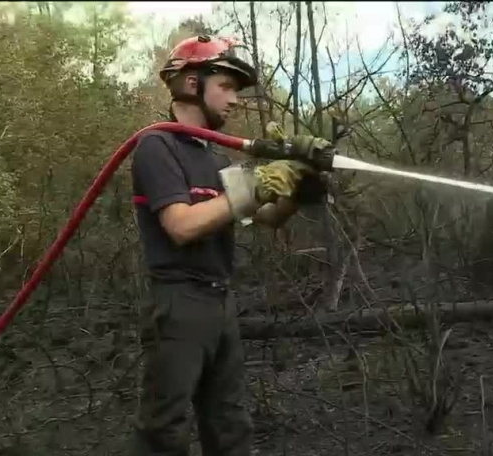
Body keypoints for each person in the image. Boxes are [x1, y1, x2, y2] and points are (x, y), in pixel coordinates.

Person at [130, 35, 331, 455]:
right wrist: (258, 183)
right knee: (165, 430)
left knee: (230, 424)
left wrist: (300, 185)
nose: (235, 100)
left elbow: (269, 216)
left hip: (220, 300)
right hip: (177, 301)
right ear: (191, 83)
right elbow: (181, 226)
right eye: (225, 86)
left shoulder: (217, 159)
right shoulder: (156, 145)